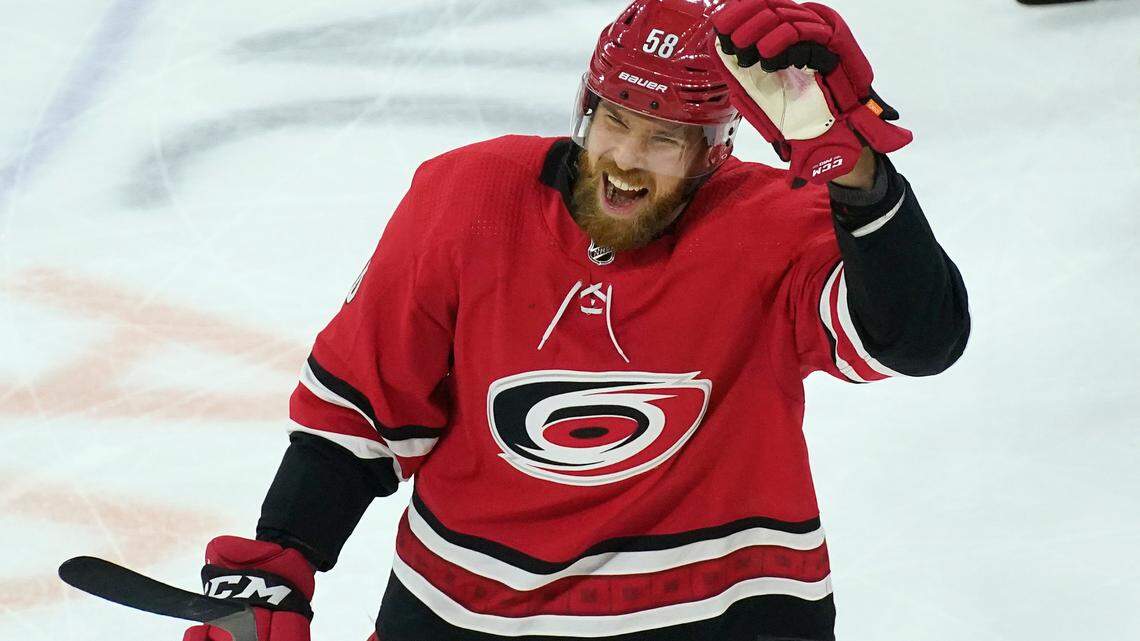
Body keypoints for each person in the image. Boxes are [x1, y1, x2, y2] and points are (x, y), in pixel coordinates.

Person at [183, 1, 969, 640]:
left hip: (721, 612)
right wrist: (278, 560)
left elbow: (921, 340)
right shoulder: (469, 200)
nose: (626, 158)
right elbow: (362, 409)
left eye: (664, 137)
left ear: (713, 153)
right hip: (469, 610)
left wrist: (861, 178)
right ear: (584, 111)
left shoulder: (770, 227)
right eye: (616, 120)